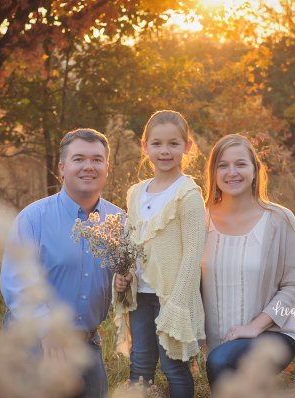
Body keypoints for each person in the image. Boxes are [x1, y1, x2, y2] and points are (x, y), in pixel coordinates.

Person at [0, 129, 121, 398]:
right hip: (34, 333)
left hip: (86, 339)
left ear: (106, 167)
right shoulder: (34, 218)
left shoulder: (119, 222)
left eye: (97, 160)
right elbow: (16, 282)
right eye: (79, 159)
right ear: (62, 168)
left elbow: (131, 278)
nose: (88, 166)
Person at [113, 110, 206, 398]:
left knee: (173, 366)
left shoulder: (188, 194)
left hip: (172, 297)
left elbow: (193, 255)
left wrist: (176, 305)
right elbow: (129, 241)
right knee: (140, 363)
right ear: (146, 147)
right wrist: (123, 271)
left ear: (187, 147)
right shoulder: (137, 192)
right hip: (140, 295)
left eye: (173, 143)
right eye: (157, 143)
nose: (164, 151)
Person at [201, 134, 295, 391]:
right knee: (223, 362)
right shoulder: (199, 221)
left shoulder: (279, 220)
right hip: (219, 343)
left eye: (241, 164)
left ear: (256, 170)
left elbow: (293, 286)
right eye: (223, 165)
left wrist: (254, 327)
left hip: (273, 335)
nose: (232, 172)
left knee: (223, 362)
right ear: (213, 173)